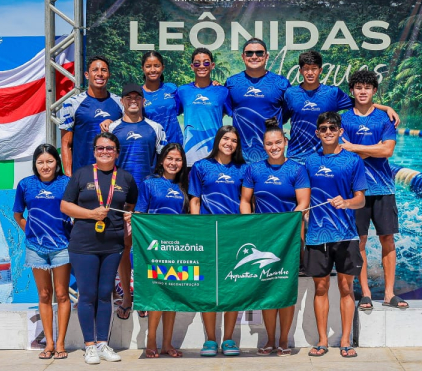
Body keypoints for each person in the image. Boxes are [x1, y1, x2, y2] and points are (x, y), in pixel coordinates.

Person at [60, 132, 138, 364]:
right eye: (101, 148)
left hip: (113, 243)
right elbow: (65, 206)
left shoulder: (125, 178)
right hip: (83, 244)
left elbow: (130, 204)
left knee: (106, 294)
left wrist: (129, 218)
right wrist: (90, 214)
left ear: (117, 152)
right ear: (94, 151)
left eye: (110, 148)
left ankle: (103, 343)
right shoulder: (81, 174)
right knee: (88, 295)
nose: (105, 152)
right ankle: (89, 345)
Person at [240, 118, 310, 356]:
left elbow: (303, 203)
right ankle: (269, 340)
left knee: (285, 289)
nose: (274, 147)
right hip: (263, 239)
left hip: (288, 239)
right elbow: (245, 202)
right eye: (269, 143)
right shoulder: (254, 169)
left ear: (285, 142)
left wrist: (285, 225)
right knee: (268, 289)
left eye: (278, 142)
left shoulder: (297, 169)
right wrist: (250, 224)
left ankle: (283, 340)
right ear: (263, 145)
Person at [340, 70, 407, 311]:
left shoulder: (383, 119)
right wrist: (373, 147)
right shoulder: (344, 119)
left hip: (383, 188)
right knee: (360, 242)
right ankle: (366, 293)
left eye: (367, 87)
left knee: (387, 239)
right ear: (352, 91)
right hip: (356, 190)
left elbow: (388, 151)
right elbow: (344, 151)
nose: (363, 91)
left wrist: (358, 148)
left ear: (374, 91)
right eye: (358, 87)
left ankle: (389, 293)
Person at [304, 111, 367, 358]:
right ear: (317, 133)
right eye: (323, 128)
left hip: (345, 233)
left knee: (345, 287)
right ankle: (321, 341)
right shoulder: (309, 162)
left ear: (341, 132)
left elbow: (361, 200)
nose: (328, 132)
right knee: (320, 288)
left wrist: (347, 203)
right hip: (317, 235)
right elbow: (302, 196)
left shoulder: (353, 161)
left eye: (332, 128)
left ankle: (345, 340)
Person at [108, 82, 167, 315]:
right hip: (120, 198)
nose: (133, 100)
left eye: (137, 97)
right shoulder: (112, 128)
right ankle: (126, 298)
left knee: (145, 248)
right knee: (124, 247)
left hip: (148, 197)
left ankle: (143, 294)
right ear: (122, 101)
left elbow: (163, 162)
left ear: (143, 101)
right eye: (128, 97)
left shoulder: (155, 127)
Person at [188, 125, 247, 356]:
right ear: (217, 141)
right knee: (208, 289)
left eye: (233, 140)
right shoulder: (201, 167)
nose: (229, 143)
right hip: (207, 234)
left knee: (232, 287)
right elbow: (194, 201)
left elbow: (246, 202)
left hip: (234, 235)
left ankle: (229, 339)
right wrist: (197, 229)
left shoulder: (243, 169)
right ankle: (211, 339)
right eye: (225, 138)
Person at [285, 50, 401, 162]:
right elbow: (280, 117)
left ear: (320, 70)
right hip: (296, 156)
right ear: (300, 71)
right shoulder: (290, 94)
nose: (310, 73)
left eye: (314, 69)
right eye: (306, 69)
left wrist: (386, 108)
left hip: (324, 157)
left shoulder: (332, 93)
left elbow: (359, 101)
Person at [131, 143, 190, 358]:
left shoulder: (185, 186)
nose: (174, 163)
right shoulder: (149, 184)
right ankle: (151, 339)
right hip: (155, 250)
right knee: (157, 296)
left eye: (178, 159)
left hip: (178, 249)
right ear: (162, 160)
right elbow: (140, 214)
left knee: (172, 296)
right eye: (170, 158)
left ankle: (167, 343)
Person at [13, 144, 72, 360]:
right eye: (40, 162)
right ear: (35, 165)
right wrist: (30, 231)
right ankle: (48, 343)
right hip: (35, 248)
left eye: (49, 161)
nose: (45, 166)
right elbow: (18, 214)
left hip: (62, 246)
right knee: (44, 295)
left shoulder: (66, 183)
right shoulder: (25, 184)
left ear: (57, 162)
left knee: (62, 293)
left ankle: (61, 344)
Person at [225, 38, 290, 163]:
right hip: (240, 158)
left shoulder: (281, 83)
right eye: (249, 53)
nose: (254, 56)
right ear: (243, 56)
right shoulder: (231, 83)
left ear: (266, 56)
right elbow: (225, 110)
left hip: (272, 156)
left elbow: (287, 113)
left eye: (259, 53)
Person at [58, 56, 123, 176]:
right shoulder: (71, 104)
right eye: (95, 70)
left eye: (104, 70)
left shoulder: (120, 103)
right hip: (83, 174)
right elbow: (66, 144)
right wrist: (68, 176)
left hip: (113, 174)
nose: (100, 74)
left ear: (109, 74)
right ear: (87, 75)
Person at [177, 48, 231, 167]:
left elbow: (234, 115)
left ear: (212, 65)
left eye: (206, 62)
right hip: (189, 157)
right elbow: (171, 115)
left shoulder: (222, 91)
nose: (202, 66)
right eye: (197, 63)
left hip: (216, 156)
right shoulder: (182, 91)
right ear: (192, 66)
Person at [139, 51, 184, 146]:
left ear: (162, 67)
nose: (153, 70)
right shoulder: (139, 95)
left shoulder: (172, 88)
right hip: (153, 148)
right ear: (142, 68)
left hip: (175, 147)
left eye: (156, 65)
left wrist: (213, 84)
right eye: (148, 66)